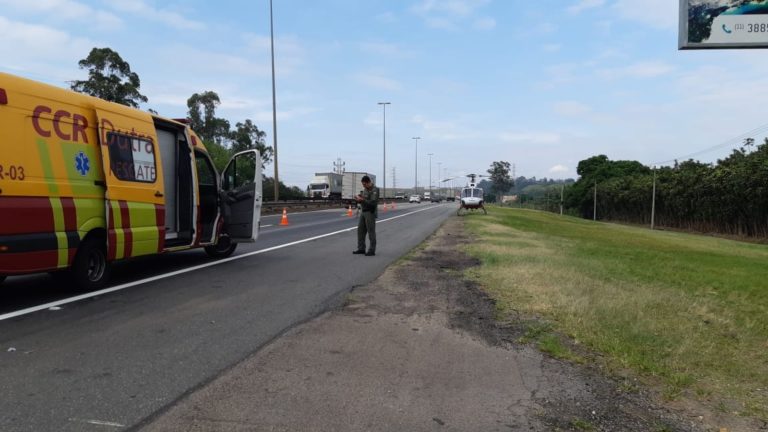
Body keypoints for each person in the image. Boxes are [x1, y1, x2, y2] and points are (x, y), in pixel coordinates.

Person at [353, 175, 379, 256]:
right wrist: (359, 200)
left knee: (371, 232)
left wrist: (363, 200)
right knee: (360, 230)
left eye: (364, 184)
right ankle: (361, 248)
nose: (363, 186)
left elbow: (373, 203)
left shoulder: (375, 190)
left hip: (370, 213)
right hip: (363, 212)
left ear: (368, 183)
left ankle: (372, 250)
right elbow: (364, 200)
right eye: (363, 184)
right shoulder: (365, 190)